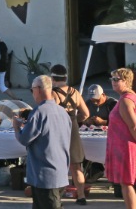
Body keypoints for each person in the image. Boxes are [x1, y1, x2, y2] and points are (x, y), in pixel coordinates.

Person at [13, 75, 72, 209]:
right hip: (60, 172)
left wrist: (16, 127)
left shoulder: (39, 112)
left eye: (32, 89)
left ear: (38, 89)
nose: (32, 93)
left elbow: (23, 139)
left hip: (45, 176)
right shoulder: (63, 112)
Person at [50, 64, 90, 205]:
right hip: (73, 129)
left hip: (58, 130)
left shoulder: (53, 94)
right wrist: (74, 121)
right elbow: (86, 113)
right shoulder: (75, 92)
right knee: (76, 166)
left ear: (52, 78)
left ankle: (57, 198)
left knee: (57, 165)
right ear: (66, 77)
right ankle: (81, 196)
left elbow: (50, 114)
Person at [106, 67, 136, 208]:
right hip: (124, 147)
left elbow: (133, 126)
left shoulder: (125, 100)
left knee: (126, 183)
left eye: (116, 79)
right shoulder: (129, 97)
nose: (113, 81)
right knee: (127, 183)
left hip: (126, 148)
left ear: (126, 81)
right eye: (112, 79)